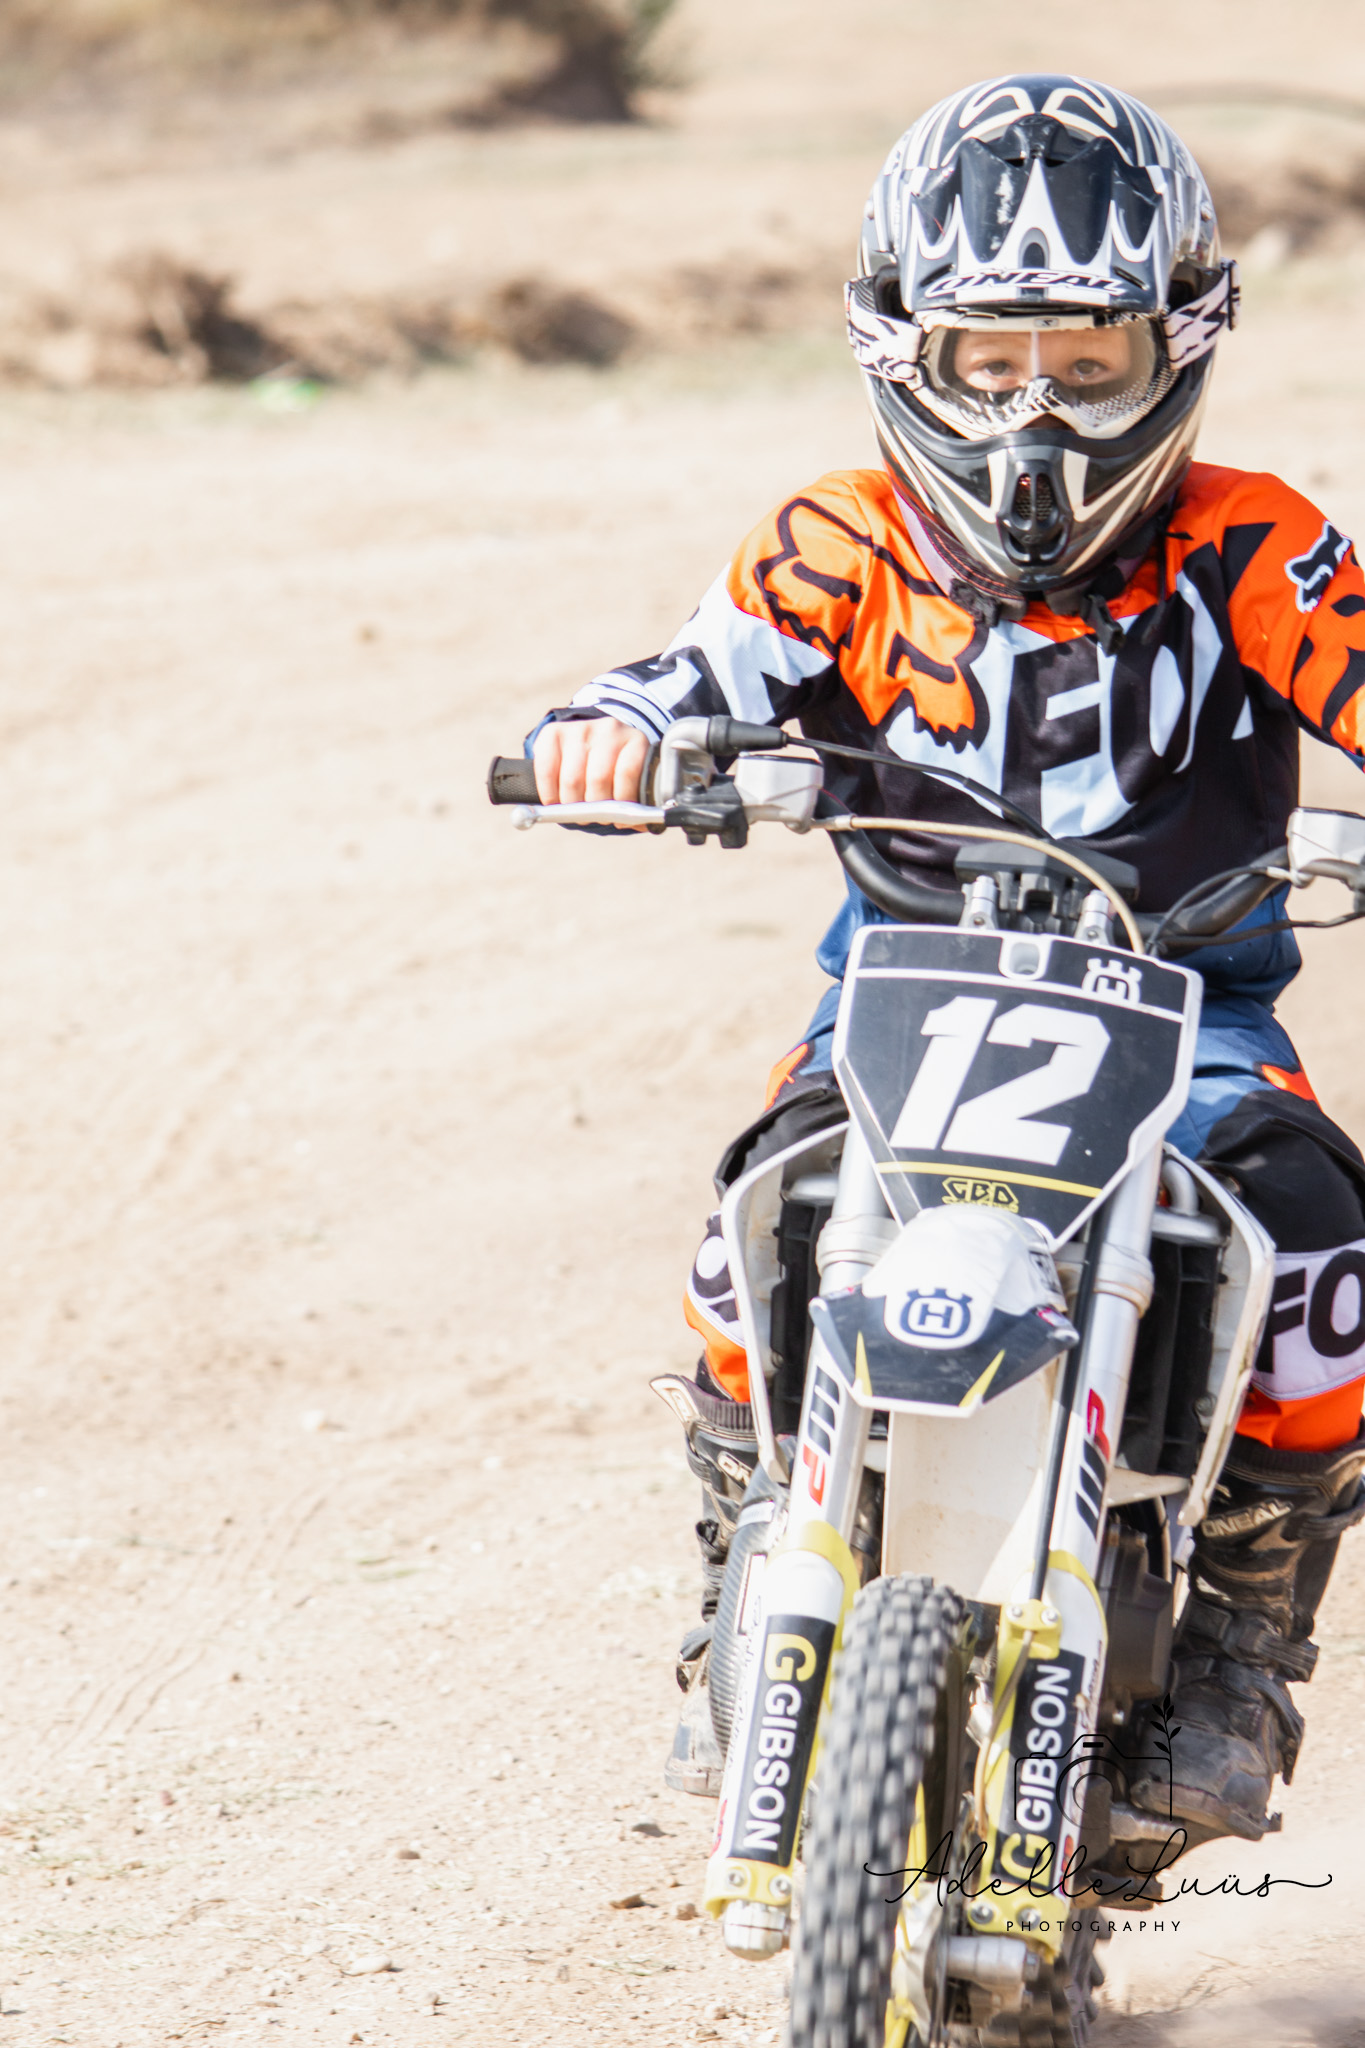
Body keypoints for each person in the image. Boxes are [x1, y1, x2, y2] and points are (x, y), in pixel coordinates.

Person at [530, 73, 1365, 1844]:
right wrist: (616, 737)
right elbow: (691, 674)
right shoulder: (834, 538)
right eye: (989, 364)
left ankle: (1238, 1642)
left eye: (1086, 361)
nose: (1034, 417)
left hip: (1189, 1009)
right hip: (897, 1003)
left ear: (1178, 345)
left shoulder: (1256, 539)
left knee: (1317, 1235)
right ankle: (739, 1556)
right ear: (902, 354)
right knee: (757, 1204)